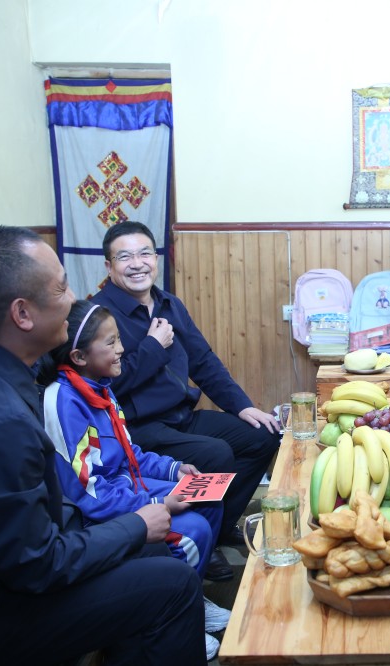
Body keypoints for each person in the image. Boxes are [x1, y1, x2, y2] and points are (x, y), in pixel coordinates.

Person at [0, 226, 206, 666]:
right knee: (171, 584)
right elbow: (38, 566)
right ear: (22, 314)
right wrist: (138, 523)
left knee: (150, 553)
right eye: (62, 288)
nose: (73, 299)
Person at [39, 299, 230, 661]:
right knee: (194, 531)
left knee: (208, 498)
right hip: (99, 511)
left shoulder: (100, 386)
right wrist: (157, 504)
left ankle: (193, 602)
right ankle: (174, 616)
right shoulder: (63, 401)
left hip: (126, 486)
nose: (122, 349)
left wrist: (175, 470)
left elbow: (131, 454)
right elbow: (87, 493)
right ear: (79, 356)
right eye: (110, 342)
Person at [90, 221, 281, 581]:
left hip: (180, 417)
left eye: (145, 253)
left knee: (263, 435)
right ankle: (201, 541)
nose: (137, 264)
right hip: (136, 427)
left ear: (156, 258)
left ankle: (220, 525)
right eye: (125, 257)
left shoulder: (169, 304)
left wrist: (243, 406)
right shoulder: (100, 315)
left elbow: (203, 361)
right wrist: (152, 346)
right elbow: (107, 384)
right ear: (108, 266)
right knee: (215, 454)